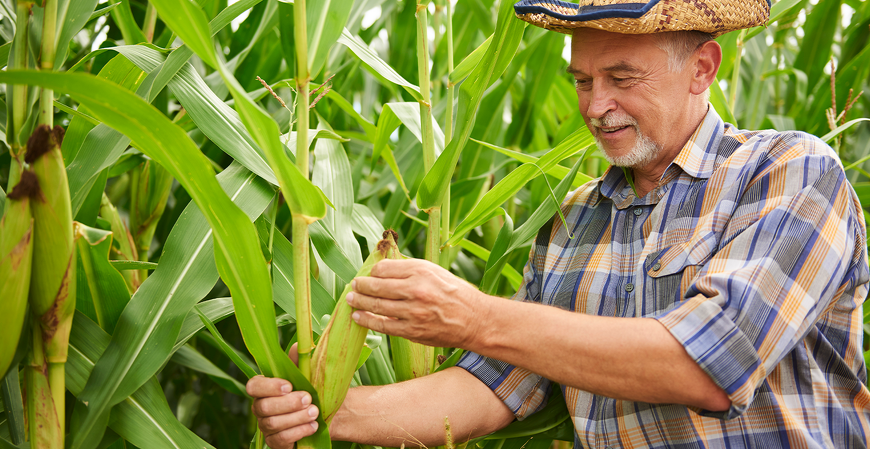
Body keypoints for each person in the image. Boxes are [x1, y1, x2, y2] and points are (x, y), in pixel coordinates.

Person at [246, 0, 870, 447]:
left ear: (702, 68)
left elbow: (710, 367)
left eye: (621, 78)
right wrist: (326, 410)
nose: (596, 106)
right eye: (582, 81)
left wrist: (474, 317)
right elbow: (493, 387)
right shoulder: (575, 218)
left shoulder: (789, 172)